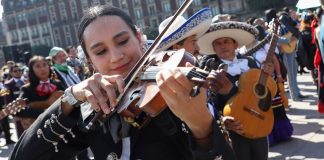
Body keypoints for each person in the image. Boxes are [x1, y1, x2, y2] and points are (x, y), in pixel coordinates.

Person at [9, 5, 235, 160]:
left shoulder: (179, 91)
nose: (116, 56)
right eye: (100, 51)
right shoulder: (94, 107)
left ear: (138, 38)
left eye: (123, 41)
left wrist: (202, 129)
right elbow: (22, 155)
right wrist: (70, 98)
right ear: (89, 60)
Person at [197, 21, 274, 160]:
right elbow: (209, 104)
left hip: (258, 122)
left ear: (235, 45)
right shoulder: (211, 71)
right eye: (218, 43)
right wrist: (222, 120)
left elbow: (261, 91)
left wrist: (267, 76)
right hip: (234, 128)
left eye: (226, 41)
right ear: (213, 48)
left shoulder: (250, 62)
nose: (223, 46)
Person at [16, 56, 65, 130]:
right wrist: (45, 112)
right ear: (32, 70)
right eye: (38, 66)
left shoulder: (58, 83)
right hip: (40, 130)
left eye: (45, 65)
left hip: (62, 126)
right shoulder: (27, 89)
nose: (42, 68)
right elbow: (19, 110)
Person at [4, 65, 25, 137]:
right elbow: (7, 101)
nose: (18, 72)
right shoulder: (7, 85)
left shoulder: (27, 81)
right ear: (11, 73)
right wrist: (13, 115)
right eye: (15, 71)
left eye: (19, 70)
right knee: (22, 134)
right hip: (18, 112)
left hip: (31, 110)